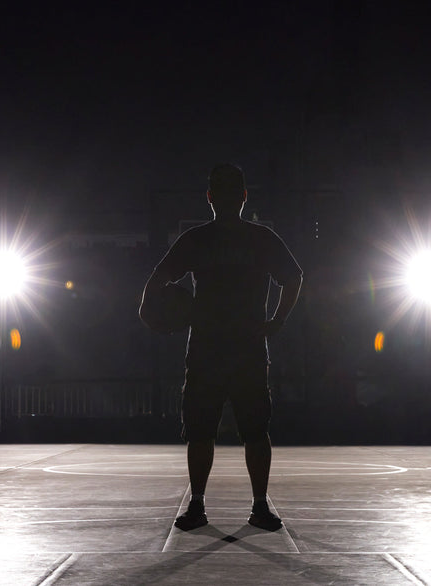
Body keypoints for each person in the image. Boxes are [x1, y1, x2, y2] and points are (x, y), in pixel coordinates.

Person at [140, 163, 302, 531]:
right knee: (251, 431)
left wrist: (147, 308)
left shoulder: (199, 239)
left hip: (210, 348)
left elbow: (158, 277)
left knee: (206, 432)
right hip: (241, 348)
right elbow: (294, 278)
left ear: (210, 197)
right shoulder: (258, 238)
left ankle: (200, 505)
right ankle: (257, 506)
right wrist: (277, 321)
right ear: (243, 196)